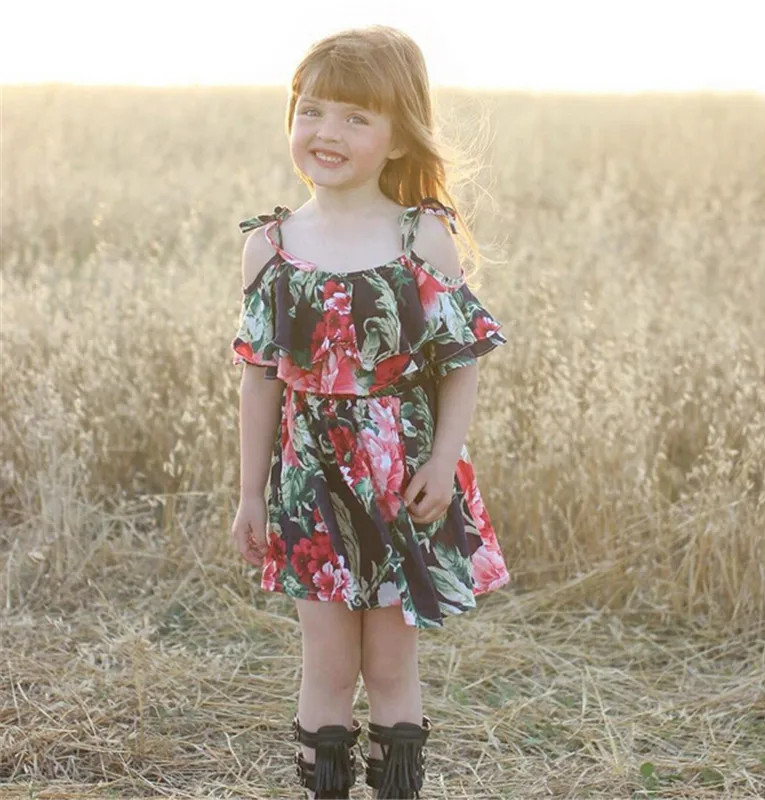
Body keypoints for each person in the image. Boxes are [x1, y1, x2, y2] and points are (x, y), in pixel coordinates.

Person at [229, 25, 511, 800]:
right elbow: (260, 382)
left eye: (356, 117)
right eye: (313, 111)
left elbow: (460, 363)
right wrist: (250, 494)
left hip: (400, 484)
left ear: (398, 137)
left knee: (389, 664)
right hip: (310, 487)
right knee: (326, 663)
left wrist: (444, 463)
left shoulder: (422, 237)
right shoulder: (272, 247)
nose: (328, 132)